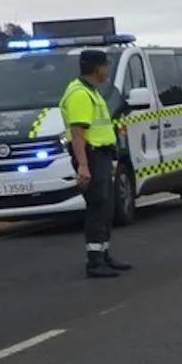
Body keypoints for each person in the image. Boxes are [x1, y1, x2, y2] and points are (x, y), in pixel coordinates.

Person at [58, 49, 133, 278]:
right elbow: (78, 132)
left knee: (107, 205)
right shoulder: (80, 94)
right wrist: (83, 165)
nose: (108, 70)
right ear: (98, 68)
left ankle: (104, 254)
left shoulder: (92, 92)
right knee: (98, 206)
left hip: (101, 154)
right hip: (91, 155)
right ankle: (94, 261)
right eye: (106, 66)